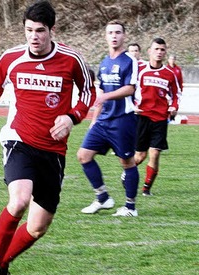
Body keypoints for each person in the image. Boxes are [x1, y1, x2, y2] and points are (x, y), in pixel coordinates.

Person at [0, 0, 95, 275]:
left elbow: (89, 91)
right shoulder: (11, 58)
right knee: (19, 199)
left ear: (51, 30)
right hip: (18, 140)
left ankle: (2, 263)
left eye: (39, 30)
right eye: (28, 30)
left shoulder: (71, 59)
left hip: (53, 150)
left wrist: (72, 117)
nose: (33, 36)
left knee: (38, 227)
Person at [77, 20, 139, 217]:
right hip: (103, 120)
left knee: (127, 162)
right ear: (105, 36)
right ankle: (103, 198)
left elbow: (130, 88)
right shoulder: (104, 62)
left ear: (124, 36)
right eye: (110, 32)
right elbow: (101, 93)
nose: (114, 36)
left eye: (118, 32)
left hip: (123, 120)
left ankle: (130, 207)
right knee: (83, 155)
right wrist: (94, 120)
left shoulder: (129, 61)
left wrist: (105, 96)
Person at [134, 38, 180, 196]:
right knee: (140, 156)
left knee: (155, 153)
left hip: (160, 119)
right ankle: (128, 173)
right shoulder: (140, 71)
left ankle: (146, 188)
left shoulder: (169, 74)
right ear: (149, 51)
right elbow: (132, 91)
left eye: (162, 50)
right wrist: (133, 105)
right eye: (156, 49)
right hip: (142, 117)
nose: (159, 52)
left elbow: (176, 94)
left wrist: (174, 106)